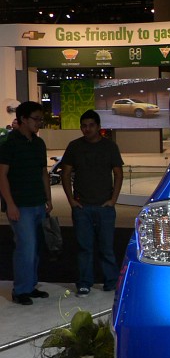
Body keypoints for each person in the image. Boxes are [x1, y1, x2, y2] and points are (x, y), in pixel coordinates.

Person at [61, 109, 124, 296]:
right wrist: (71, 201)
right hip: (82, 207)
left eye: (91, 125)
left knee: (107, 248)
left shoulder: (110, 147)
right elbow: (65, 173)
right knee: (84, 248)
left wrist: (113, 200)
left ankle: (111, 281)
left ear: (98, 127)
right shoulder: (74, 146)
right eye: (84, 126)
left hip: (105, 207)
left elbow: (118, 174)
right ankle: (84, 282)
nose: (87, 129)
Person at [0, 101, 52, 305]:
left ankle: (30, 286)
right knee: (26, 248)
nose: (39, 123)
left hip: (38, 202)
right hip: (20, 205)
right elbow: (2, 176)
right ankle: (20, 290)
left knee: (35, 247)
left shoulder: (39, 143)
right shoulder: (9, 143)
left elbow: (43, 173)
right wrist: (10, 204)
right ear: (23, 119)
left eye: (41, 119)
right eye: (35, 119)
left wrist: (48, 198)